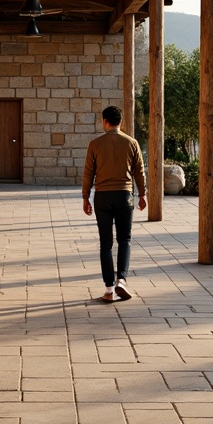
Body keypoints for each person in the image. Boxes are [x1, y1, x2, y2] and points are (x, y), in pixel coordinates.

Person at [82, 105, 147, 303]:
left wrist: (85, 197)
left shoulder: (95, 144)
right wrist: (143, 194)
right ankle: (122, 280)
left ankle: (109, 289)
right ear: (120, 122)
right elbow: (139, 171)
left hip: (102, 196)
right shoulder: (132, 143)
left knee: (106, 243)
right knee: (125, 240)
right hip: (124, 195)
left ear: (105, 121)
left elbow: (88, 173)